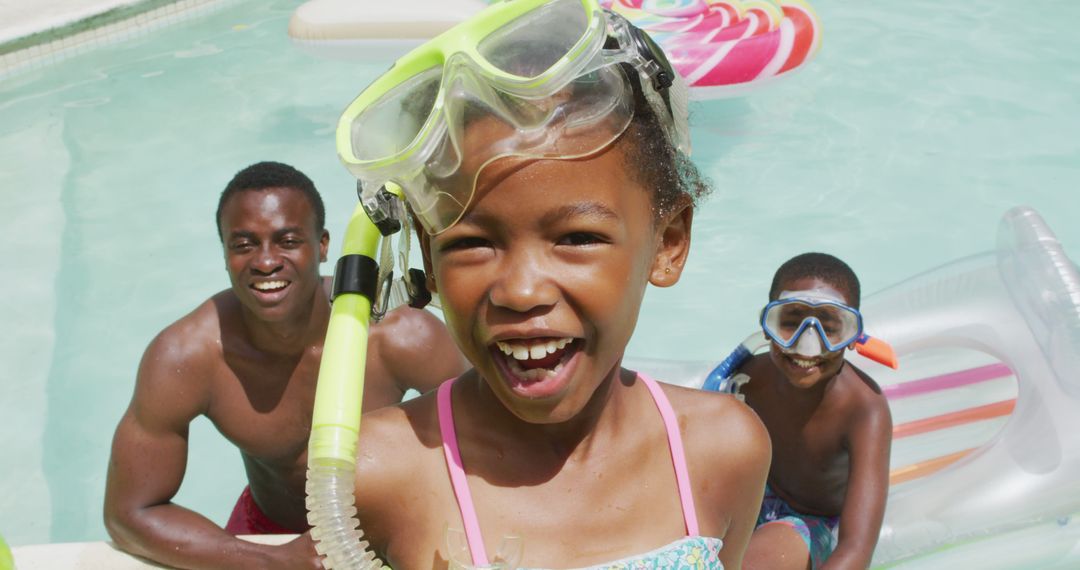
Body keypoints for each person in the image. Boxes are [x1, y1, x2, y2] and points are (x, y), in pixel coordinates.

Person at [328, 0, 772, 567]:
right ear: (429, 260)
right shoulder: (378, 473)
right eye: (470, 243)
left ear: (667, 242)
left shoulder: (722, 449)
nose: (520, 290)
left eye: (577, 238)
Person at [104, 161, 467, 569]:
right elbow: (129, 514)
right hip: (265, 535)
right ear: (224, 252)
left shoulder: (398, 337)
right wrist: (270, 560)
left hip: (389, 526)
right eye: (243, 245)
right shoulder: (189, 356)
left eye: (287, 241)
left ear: (324, 245)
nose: (265, 262)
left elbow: (491, 446)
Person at [730, 252, 893, 570]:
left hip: (811, 522)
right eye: (789, 322)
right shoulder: (747, 377)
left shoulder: (864, 410)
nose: (807, 346)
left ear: (853, 337)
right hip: (754, 493)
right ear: (766, 326)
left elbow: (856, 547)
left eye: (830, 327)